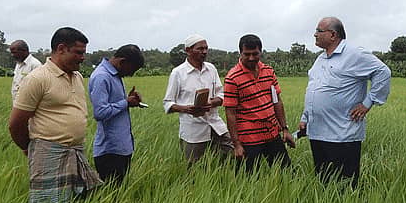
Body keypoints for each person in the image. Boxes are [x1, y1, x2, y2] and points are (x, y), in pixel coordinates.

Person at [8, 27, 102, 203]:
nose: (82, 57)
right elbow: (15, 124)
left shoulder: (77, 76)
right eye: (78, 52)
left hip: (76, 151)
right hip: (48, 153)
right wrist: (29, 148)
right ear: (61, 49)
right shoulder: (37, 78)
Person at [299, 17, 391, 186]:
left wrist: (367, 103)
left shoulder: (354, 54)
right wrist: (305, 118)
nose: (315, 34)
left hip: (342, 135)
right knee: (323, 183)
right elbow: (313, 88)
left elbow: (383, 72)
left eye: (319, 31)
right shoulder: (321, 59)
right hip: (318, 132)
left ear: (333, 35)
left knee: (344, 186)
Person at [223, 34, 295, 171]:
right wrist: (236, 144)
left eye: (255, 54)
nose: (251, 58)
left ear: (260, 52)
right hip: (248, 138)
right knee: (248, 177)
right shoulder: (232, 78)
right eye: (247, 54)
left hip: (271, 132)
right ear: (240, 53)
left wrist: (285, 129)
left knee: (286, 172)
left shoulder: (268, 71)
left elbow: (277, 101)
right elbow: (230, 113)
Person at [163, 34, 233, 164]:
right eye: (200, 49)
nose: (204, 52)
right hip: (193, 131)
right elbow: (168, 103)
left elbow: (222, 94)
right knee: (194, 167)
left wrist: (211, 102)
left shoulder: (211, 69)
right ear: (188, 50)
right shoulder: (178, 73)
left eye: (206, 48)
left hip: (215, 125)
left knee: (232, 155)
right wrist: (187, 109)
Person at [88, 44, 146, 183]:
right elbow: (100, 112)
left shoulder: (114, 75)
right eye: (132, 70)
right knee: (112, 191)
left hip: (121, 147)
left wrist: (129, 100)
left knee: (119, 189)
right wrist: (125, 102)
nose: (131, 74)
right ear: (122, 62)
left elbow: (113, 105)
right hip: (110, 151)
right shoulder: (102, 77)